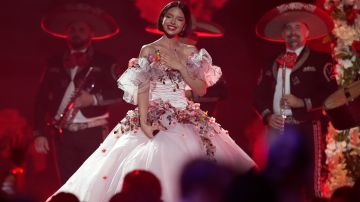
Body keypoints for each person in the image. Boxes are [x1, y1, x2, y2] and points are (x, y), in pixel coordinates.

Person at [47, 1, 256, 202]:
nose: (172, 21)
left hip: (185, 114)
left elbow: (201, 89)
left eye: (179, 19)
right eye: (169, 16)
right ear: (162, 19)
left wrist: (181, 67)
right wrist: (145, 121)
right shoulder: (147, 50)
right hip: (151, 115)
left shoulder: (191, 52)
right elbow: (143, 88)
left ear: (185, 25)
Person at [254, 2, 338, 201]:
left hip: (306, 126)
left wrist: (303, 102)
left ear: (307, 32)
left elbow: (332, 92)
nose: (292, 32)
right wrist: (268, 115)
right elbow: (258, 95)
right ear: (282, 35)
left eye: (297, 27)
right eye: (288, 28)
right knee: (276, 180)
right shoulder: (271, 62)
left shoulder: (320, 60)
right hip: (276, 129)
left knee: (311, 181)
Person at [33, 3, 122, 184]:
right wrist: (39, 133)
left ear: (91, 33)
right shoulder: (54, 61)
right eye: (72, 29)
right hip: (62, 134)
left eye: (81, 29)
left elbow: (122, 92)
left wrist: (93, 99)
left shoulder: (105, 61)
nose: (76, 32)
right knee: (66, 185)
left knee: (92, 183)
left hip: (93, 132)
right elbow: (41, 99)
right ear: (66, 33)